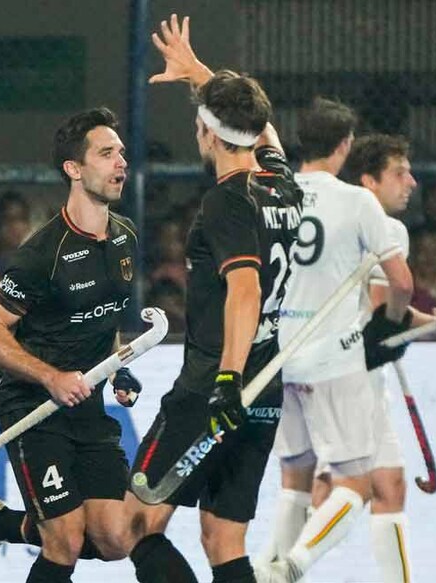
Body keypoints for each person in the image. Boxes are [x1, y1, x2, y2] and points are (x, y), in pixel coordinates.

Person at [125, 15, 303, 583]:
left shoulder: (227, 202)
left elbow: (245, 290)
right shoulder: (283, 186)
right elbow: (264, 132)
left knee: (135, 526)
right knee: (223, 537)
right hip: (268, 385)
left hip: (214, 386)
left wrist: (226, 379)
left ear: (205, 133)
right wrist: (200, 75)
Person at [0, 106, 141, 583]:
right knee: (64, 539)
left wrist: (118, 368)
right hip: (33, 410)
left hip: (88, 410)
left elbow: (104, 321)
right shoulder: (42, 253)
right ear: (74, 169)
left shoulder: (125, 239)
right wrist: (50, 377)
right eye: (106, 154)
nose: (121, 162)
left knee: (117, 539)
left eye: (120, 152)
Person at [252, 101, 415, 582]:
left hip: (281, 357)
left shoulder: (271, 193)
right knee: (355, 484)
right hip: (335, 361)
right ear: (345, 145)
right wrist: (391, 326)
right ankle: (291, 565)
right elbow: (400, 285)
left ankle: (263, 571)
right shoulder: (356, 202)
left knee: (296, 479)